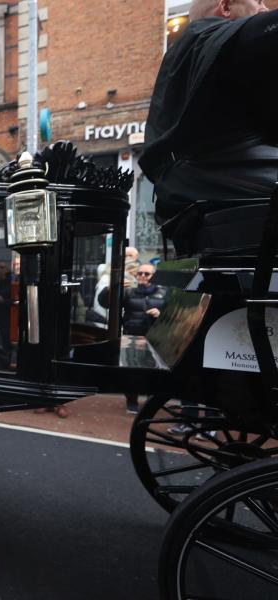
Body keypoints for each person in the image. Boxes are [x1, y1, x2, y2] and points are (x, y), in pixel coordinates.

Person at [140, 1, 277, 224]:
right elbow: (262, 30)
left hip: (187, 196)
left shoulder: (185, 57)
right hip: (228, 188)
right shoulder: (211, 38)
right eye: (258, 2)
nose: (265, 8)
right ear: (226, 8)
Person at [122, 263, 167, 413]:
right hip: (132, 336)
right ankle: (131, 402)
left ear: (154, 276)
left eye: (146, 274)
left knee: (153, 371)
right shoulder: (128, 291)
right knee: (131, 371)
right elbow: (106, 302)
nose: (141, 276)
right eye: (139, 273)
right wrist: (112, 288)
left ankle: (150, 403)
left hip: (155, 338)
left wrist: (160, 314)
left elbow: (172, 316)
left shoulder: (164, 293)